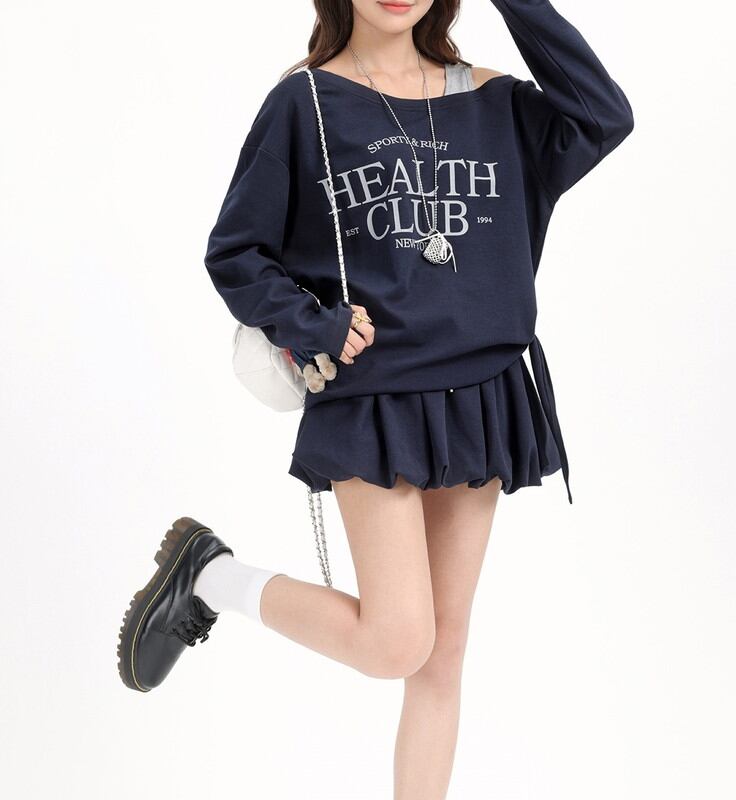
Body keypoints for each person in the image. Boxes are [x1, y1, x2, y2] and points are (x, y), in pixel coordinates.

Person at [117, 1, 634, 797]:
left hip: (484, 397)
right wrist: (311, 323)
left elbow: (603, 115)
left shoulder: (494, 102)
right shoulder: (306, 104)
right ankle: (211, 575)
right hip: (375, 401)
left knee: (442, 656)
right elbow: (236, 252)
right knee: (397, 641)